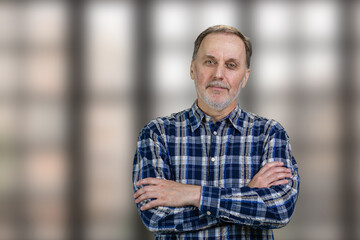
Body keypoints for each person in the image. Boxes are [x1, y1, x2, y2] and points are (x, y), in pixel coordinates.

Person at [132, 25, 300, 239]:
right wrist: (248, 194)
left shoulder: (270, 134)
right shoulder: (157, 134)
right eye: (210, 62)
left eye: (231, 65)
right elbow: (156, 217)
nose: (219, 74)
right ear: (193, 68)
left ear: (245, 77)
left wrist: (192, 194)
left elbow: (279, 211)